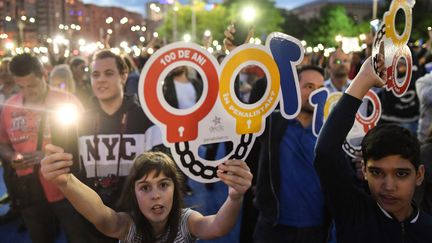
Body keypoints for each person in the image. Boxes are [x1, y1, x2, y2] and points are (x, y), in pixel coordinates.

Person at [314, 55, 432, 242]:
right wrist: (364, 79)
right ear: (365, 172)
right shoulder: (353, 213)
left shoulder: (427, 229)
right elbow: (325, 153)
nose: (388, 186)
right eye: (377, 172)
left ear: (419, 175)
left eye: (401, 174)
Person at [41, 148, 252, 242]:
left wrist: (235, 197)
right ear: (133, 192)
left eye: (163, 185)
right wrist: (66, 182)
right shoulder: (128, 226)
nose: (156, 195)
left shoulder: (186, 221)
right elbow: (102, 216)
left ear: (175, 189)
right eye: (145, 187)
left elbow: (217, 227)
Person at [0, 53, 92, 242]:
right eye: (21, 86)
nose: (27, 92)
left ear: (43, 74)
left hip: (67, 187)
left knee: (79, 236)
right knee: (40, 237)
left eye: (32, 85)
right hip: (29, 190)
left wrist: (51, 155)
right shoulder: (9, 106)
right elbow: (2, 144)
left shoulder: (66, 100)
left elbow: (87, 142)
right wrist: (12, 157)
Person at [78, 50, 164, 242]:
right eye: (95, 75)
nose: (100, 80)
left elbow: (163, 174)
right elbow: (75, 174)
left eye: (109, 73)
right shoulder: (79, 122)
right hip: (94, 223)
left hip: (139, 222)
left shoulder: (146, 120)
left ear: (124, 76)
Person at [253, 65, 329, 243]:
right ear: (294, 88)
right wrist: (238, 56)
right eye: (309, 86)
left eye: (320, 89)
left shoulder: (330, 131)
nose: (315, 94)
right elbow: (240, 110)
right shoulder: (272, 122)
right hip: (274, 226)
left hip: (317, 228)